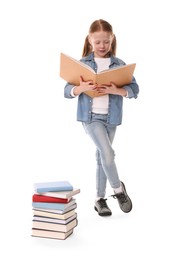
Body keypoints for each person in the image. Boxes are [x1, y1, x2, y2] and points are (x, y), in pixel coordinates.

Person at [64, 19, 139, 217]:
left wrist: (118, 90)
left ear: (112, 39)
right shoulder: (83, 64)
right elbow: (66, 91)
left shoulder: (119, 64)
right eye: (98, 42)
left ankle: (99, 199)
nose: (102, 46)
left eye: (106, 41)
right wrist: (81, 88)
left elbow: (135, 89)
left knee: (101, 158)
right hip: (90, 118)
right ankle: (118, 190)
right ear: (90, 40)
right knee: (108, 153)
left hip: (111, 118)